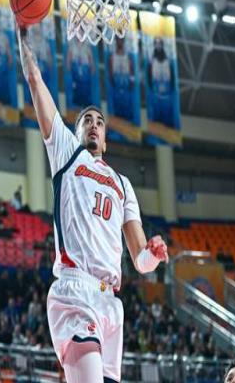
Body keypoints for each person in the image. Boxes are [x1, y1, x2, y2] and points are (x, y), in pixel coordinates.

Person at [18, 28, 169, 383]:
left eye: (100, 122)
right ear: (76, 132)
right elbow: (35, 81)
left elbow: (139, 260)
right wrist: (23, 38)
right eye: (87, 120)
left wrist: (152, 255)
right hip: (75, 290)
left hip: (110, 303)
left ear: (105, 138)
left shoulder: (122, 184)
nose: (95, 125)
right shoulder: (67, 154)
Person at [148, 37, 175, 127]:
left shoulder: (168, 61)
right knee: (156, 115)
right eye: (156, 44)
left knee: (167, 115)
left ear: (162, 45)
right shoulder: (152, 61)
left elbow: (172, 78)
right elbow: (149, 77)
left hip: (166, 94)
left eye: (159, 43)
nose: (158, 46)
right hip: (156, 94)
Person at [109, 37, 134, 120]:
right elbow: (111, 71)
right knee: (117, 106)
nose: (119, 42)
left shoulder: (128, 56)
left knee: (127, 106)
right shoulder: (112, 56)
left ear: (123, 42)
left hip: (126, 84)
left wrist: (131, 81)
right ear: (116, 41)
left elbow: (131, 70)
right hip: (117, 85)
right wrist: (112, 81)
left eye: (121, 40)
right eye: (118, 40)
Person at [66, 37, 95, 107]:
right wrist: (69, 66)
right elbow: (69, 57)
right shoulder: (72, 44)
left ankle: (86, 103)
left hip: (85, 71)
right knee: (77, 88)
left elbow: (91, 58)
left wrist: (92, 67)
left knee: (86, 88)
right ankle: (77, 103)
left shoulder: (87, 45)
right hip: (76, 71)